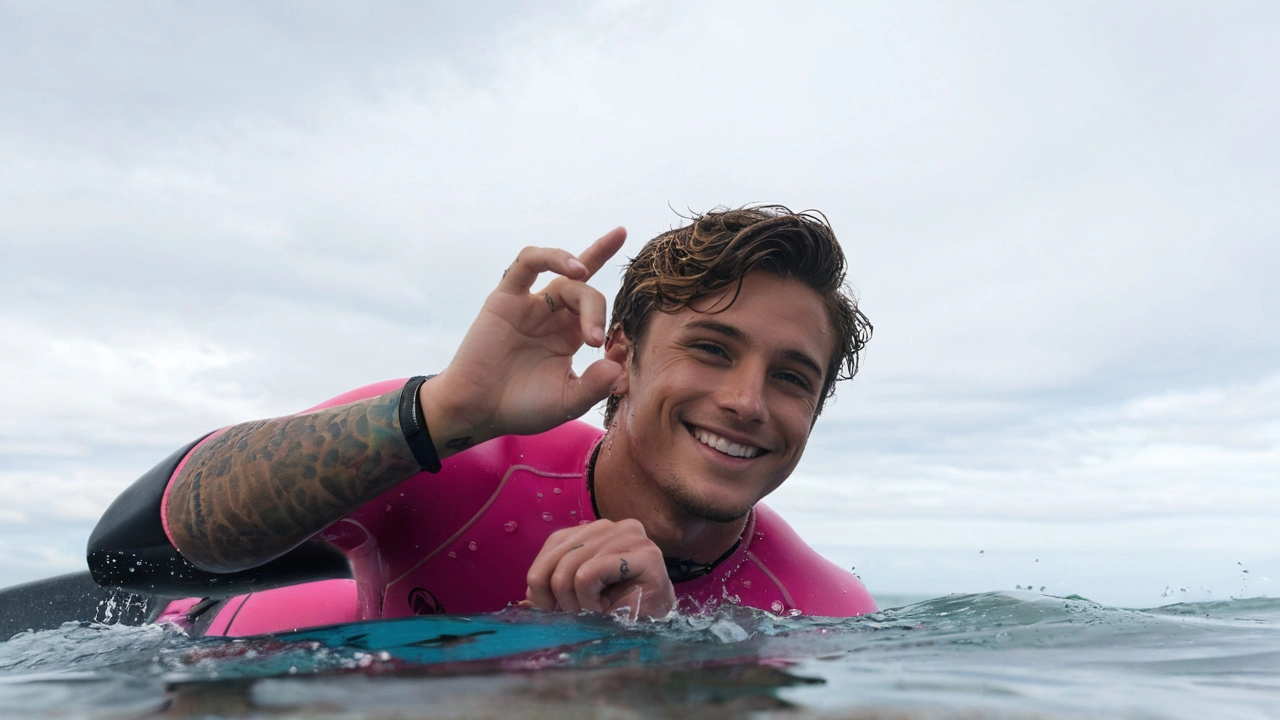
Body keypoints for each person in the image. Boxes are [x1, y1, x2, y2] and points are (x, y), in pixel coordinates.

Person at [87, 205, 877, 634]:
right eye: (710, 348)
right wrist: (446, 410)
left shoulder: (820, 612)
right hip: (197, 644)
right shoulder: (464, 455)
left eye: (790, 377)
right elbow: (128, 554)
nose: (747, 399)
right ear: (623, 354)